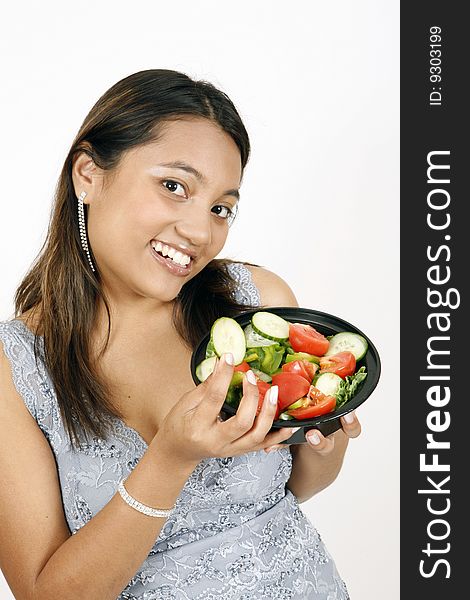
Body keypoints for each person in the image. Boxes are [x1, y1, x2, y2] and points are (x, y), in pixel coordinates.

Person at [0, 69, 361, 599]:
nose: (200, 231)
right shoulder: (15, 367)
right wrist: (170, 458)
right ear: (88, 175)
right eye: (174, 187)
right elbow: (46, 593)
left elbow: (290, 490)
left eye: (221, 208)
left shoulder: (257, 301)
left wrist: (324, 444)